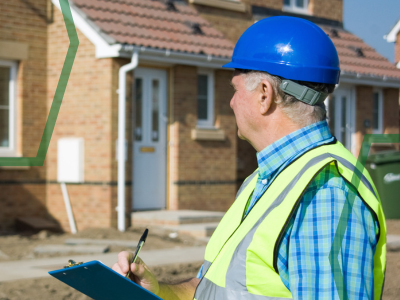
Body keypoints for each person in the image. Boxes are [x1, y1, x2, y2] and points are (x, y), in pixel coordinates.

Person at [113, 16, 386, 300]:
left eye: (235, 89)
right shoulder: (263, 180)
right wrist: (157, 292)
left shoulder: (325, 194)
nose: (231, 102)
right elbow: (214, 290)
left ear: (264, 95)